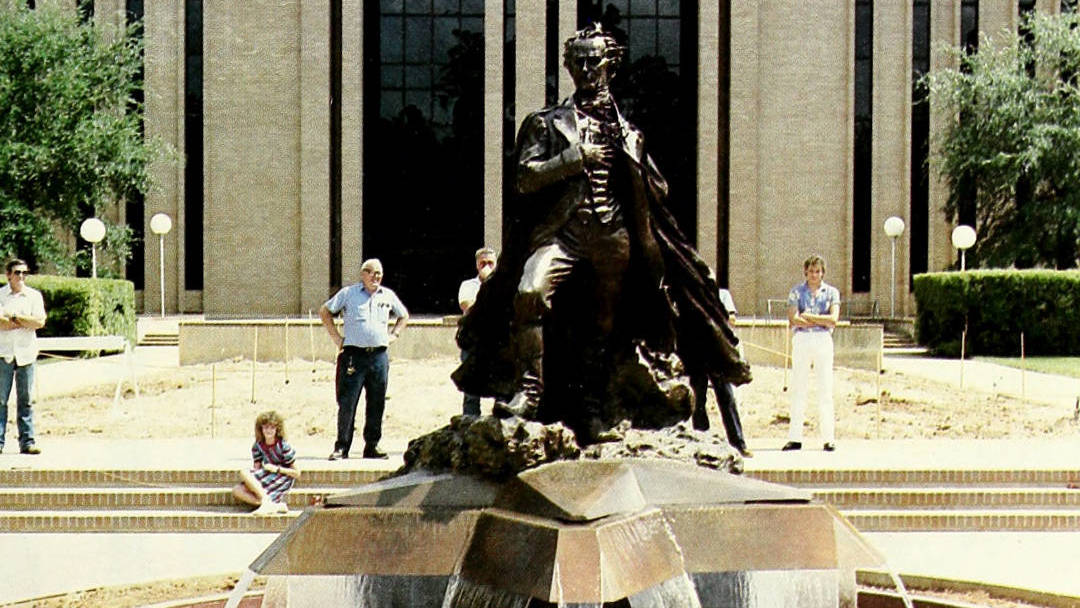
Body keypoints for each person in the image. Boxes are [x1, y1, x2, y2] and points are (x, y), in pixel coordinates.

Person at [453, 24, 749, 443]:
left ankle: (594, 407)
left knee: (605, 325)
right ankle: (529, 392)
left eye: (596, 61)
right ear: (570, 67)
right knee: (529, 292)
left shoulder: (630, 133)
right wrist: (575, 157)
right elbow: (523, 177)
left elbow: (655, 192)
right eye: (580, 62)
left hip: (615, 238)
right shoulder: (547, 122)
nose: (588, 69)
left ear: (610, 66)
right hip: (564, 234)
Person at [320, 258, 408, 460]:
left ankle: (372, 445)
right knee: (348, 402)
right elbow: (325, 311)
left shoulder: (388, 295)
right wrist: (336, 337)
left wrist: (394, 335)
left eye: (379, 273)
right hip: (353, 356)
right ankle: (342, 446)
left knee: (377, 401)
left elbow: (404, 316)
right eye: (371, 272)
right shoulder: (349, 294)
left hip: (378, 356)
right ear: (363, 274)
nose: (375, 277)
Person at [784, 255, 841, 452]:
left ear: (822, 273)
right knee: (799, 388)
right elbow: (794, 318)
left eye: (817, 271)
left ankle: (828, 438)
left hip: (823, 341)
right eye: (810, 272)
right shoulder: (796, 292)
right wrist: (819, 320)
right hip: (802, 340)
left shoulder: (832, 292)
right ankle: (795, 437)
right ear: (805, 272)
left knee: (825, 389)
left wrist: (808, 316)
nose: (814, 275)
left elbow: (833, 319)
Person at [689, 287, 752, 457]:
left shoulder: (722, 295)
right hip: (698, 351)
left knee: (727, 397)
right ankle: (701, 440)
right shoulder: (692, 294)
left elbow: (731, 319)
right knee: (698, 398)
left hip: (718, 352)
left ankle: (738, 443)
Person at [0, 259, 45, 455]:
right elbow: (1, 323)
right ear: (8, 274)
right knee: (0, 400)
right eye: (17, 272)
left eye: (24, 273)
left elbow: (39, 321)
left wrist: (15, 318)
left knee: (25, 400)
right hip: (4, 353)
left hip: (26, 353)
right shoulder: (0, 296)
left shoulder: (34, 296)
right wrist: (26, 321)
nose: (21, 277)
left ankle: (27, 441)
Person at [233, 410, 299, 514]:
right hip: (266, 475)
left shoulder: (283, 446)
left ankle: (266, 502)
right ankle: (270, 504)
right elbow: (257, 468)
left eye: (272, 427)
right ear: (261, 429)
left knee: (243, 472)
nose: (269, 431)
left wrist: (277, 468)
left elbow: (297, 473)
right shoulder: (258, 446)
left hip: (281, 476)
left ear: (277, 429)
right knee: (237, 490)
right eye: (266, 427)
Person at [457, 247, 497, 416]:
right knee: (471, 390)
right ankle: (469, 423)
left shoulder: (504, 285)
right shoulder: (468, 285)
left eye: (490, 263)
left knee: (500, 385)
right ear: (476, 265)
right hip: (473, 343)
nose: (486, 266)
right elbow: (468, 307)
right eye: (483, 263)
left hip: (496, 341)